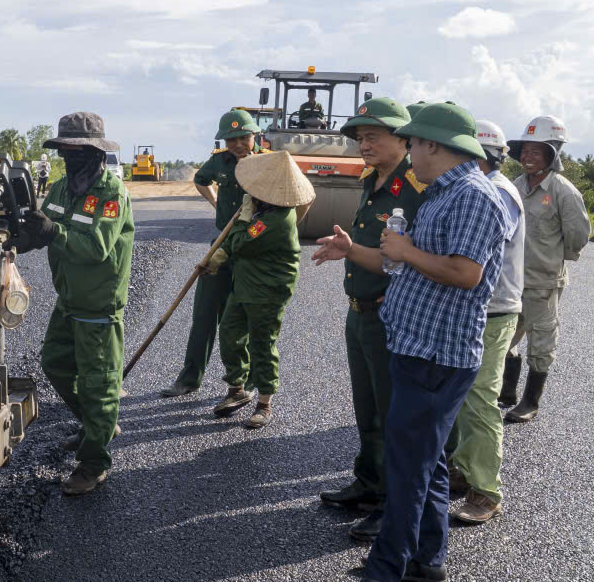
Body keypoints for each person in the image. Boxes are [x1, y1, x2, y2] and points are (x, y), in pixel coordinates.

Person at [336, 103, 511, 582]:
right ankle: (427, 562)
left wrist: (407, 251)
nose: (408, 151)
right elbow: (412, 262)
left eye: (412, 143)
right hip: (416, 346)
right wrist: (385, 252)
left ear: (434, 144)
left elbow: (466, 273)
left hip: (437, 355)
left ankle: (383, 573)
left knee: (408, 470)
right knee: (428, 463)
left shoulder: (474, 196)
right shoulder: (441, 193)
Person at [311, 97, 427, 542]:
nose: (364, 144)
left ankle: (394, 505)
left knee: (395, 413)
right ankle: (370, 483)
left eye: (373, 136)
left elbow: (404, 259)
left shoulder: (415, 188)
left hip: (389, 316)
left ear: (403, 139)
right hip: (359, 312)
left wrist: (350, 250)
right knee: (368, 409)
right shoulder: (371, 180)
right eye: (360, 138)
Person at [17, 112, 135, 496]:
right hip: (68, 300)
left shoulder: (111, 195)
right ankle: (97, 424)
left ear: (97, 153)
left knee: (99, 385)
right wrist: (18, 240)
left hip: (98, 305)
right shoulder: (61, 189)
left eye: (78, 152)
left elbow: (97, 247)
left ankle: (94, 463)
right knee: (55, 363)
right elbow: (42, 227)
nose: (70, 158)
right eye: (65, 152)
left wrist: (53, 232)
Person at [444, 119, 525, 525]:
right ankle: (464, 467)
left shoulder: (496, 193)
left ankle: (487, 491)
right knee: (462, 393)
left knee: (479, 398)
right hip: (477, 305)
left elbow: (476, 250)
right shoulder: (480, 187)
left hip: (494, 309)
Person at [204, 151, 315, 426]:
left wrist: (243, 217)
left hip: (268, 289)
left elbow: (240, 242)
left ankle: (264, 403)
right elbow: (235, 241)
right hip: (245, 282)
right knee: (230, 332)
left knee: (262, 343)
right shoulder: (261, 208)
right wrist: (219, 254)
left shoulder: (276, 218)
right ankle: (237, 388)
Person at [160, 108, 258, 399]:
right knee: (204, 313)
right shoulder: (218, 162)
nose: (237, 144)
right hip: (221, 246)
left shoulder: (268, 161)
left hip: (252, 251)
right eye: (231, 139)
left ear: (255, 135)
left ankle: (249, 382)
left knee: (248, 318)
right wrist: (216, 204)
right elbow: (201, 179)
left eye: (243, 137)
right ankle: (190, 378)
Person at [500, 116, 591, 424]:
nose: (528, 156)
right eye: (524, 150)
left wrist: (551, 259)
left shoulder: (564, 191)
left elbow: (578, 235)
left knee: (541, 342)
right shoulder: (515, 186)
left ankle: (530, 402)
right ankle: (507, 392)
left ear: (552, 154)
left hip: (543, 282)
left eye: (536, 151)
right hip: (511, 280)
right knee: (504, 335)